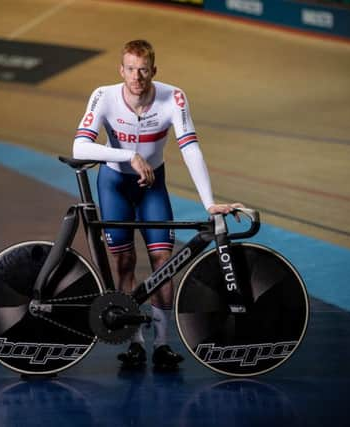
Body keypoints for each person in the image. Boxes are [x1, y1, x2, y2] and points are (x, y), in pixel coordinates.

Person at [72, 39, 244, 368]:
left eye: (144, 70)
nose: (137, 76)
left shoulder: (172, 97)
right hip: (115, 184)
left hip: (153, 186)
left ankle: (163, 344)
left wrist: (208, 203)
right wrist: (129, 155)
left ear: (154, 70)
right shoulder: (104, 96)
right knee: (123, 264)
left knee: (163, 264)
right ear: (121, 70)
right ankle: (135, 342)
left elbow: (190, 148)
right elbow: (80, 147)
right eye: (131, 69)